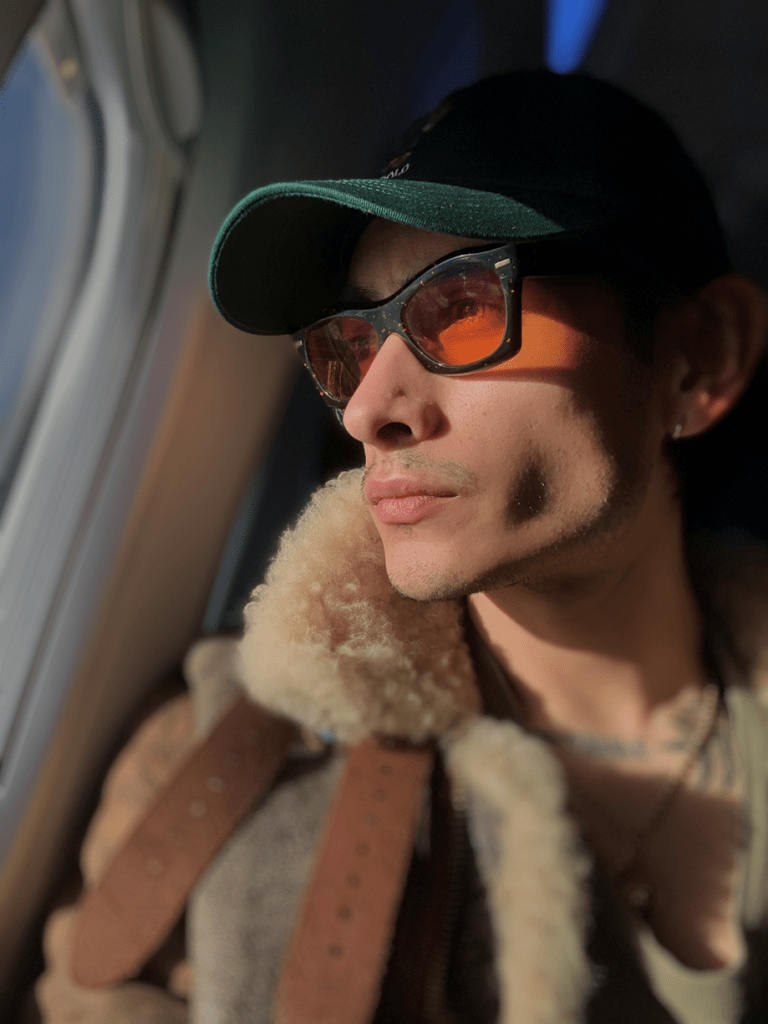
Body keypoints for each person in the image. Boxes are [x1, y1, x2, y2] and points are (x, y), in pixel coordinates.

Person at [35, 70, 768, 1024]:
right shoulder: (219, 773)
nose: (368, 410)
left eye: (462, 303)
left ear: (701, 357)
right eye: (347, 346)